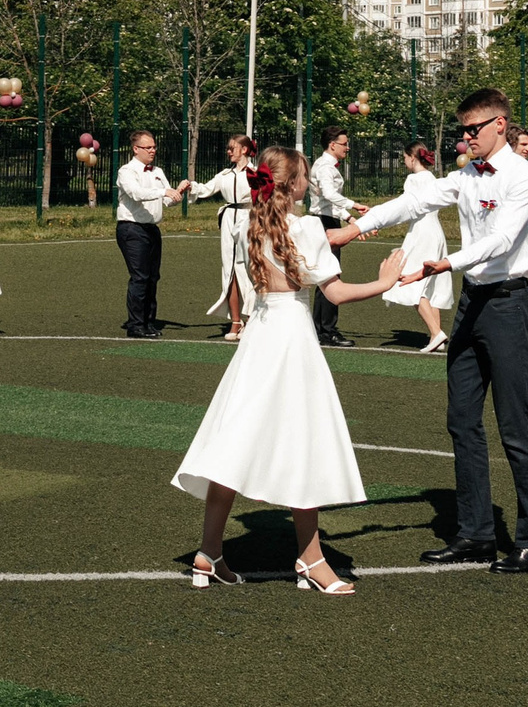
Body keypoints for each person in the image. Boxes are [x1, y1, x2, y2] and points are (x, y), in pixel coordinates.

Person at [174, 147, 410, 594]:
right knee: (305, 443)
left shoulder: (252, 223)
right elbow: (335, 293)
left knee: (235, 439)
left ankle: (210, 551)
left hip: (260, 337)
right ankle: (310, 559)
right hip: (291, 340)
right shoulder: (305, 227)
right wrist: (384, 282)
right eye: (305, 176)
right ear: (294, 184)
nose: (309, 182)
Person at [353, 87, 528, 574]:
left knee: (515, 425)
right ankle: (475, 534)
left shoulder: (525, 177)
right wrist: (355, 228)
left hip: (508, 303)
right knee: (462, 420)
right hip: (472, 302)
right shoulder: (465, 175)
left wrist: (445, 263)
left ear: (500, 124)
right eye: (463, 132)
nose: (466, 139)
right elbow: (413, 202)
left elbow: (502, 240)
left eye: (474, 130)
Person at [378, 143, 453, 352]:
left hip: (421, 233)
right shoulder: (432, 178)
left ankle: (436, 332)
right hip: (435, 232)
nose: (404, 161)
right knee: (430, 285)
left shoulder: (414, 179)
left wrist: (379, 221)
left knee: (410, 282)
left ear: (412, 157)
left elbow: (405, 208)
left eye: (404, 157)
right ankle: (436, 336)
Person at [114, 130, 189, 339]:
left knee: (153, 277)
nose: (152, 151)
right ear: (135, 149)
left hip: (151, 229)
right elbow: (136, 194)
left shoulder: (158, 171)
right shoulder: (127, 171)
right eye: (148, 147)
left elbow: (168, 201)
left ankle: (148, 322)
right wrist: (164, 191)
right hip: (131, 228)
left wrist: (178, 192)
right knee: (140, 277)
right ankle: (135, 325)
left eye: (154, 147)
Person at [305, 129, 369, 347]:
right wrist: (355, 205)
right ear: (332, 145)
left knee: (327, 276)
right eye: (344, 143)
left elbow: (329, 203)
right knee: (330, 276)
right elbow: (329, 195)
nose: (347, 147)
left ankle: (321, 329)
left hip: (327, 220)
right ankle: (327, 331)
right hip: (324, 223)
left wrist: (349, 218)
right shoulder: (325, 167)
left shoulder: (327, 166)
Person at [200, 136, 262, 341]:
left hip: (249, 218)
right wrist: (189, 186)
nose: (228, 151)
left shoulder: (255, 173)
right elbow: (205, 189)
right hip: (228, 219)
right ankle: (236, 321)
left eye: (232, 148)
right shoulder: (225, 175)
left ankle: (253, 318)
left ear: (244, 149)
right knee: (229, 269)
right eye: (228, 148)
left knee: (250, 268)